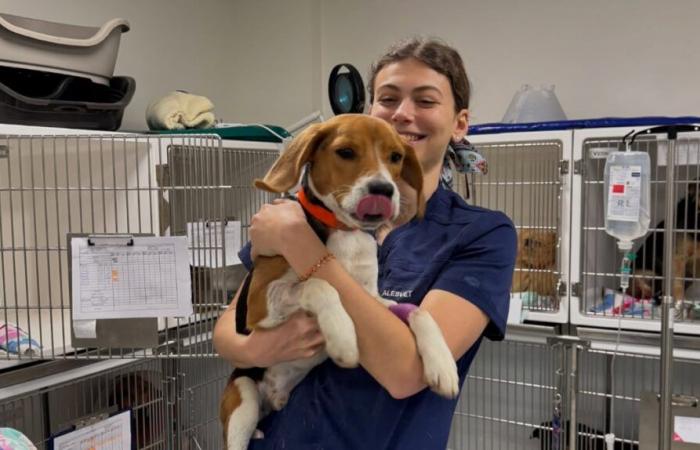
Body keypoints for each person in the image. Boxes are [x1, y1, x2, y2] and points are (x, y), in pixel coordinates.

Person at [213, 36, 517, 450]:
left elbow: (405, 373)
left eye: (425, 101)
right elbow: (227, 334)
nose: (403, 114)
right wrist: (260, 347)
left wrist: (299, 244)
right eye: (388, 99)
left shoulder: (481, 234)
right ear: (369, 109)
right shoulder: (305, 213)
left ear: (460, 123)